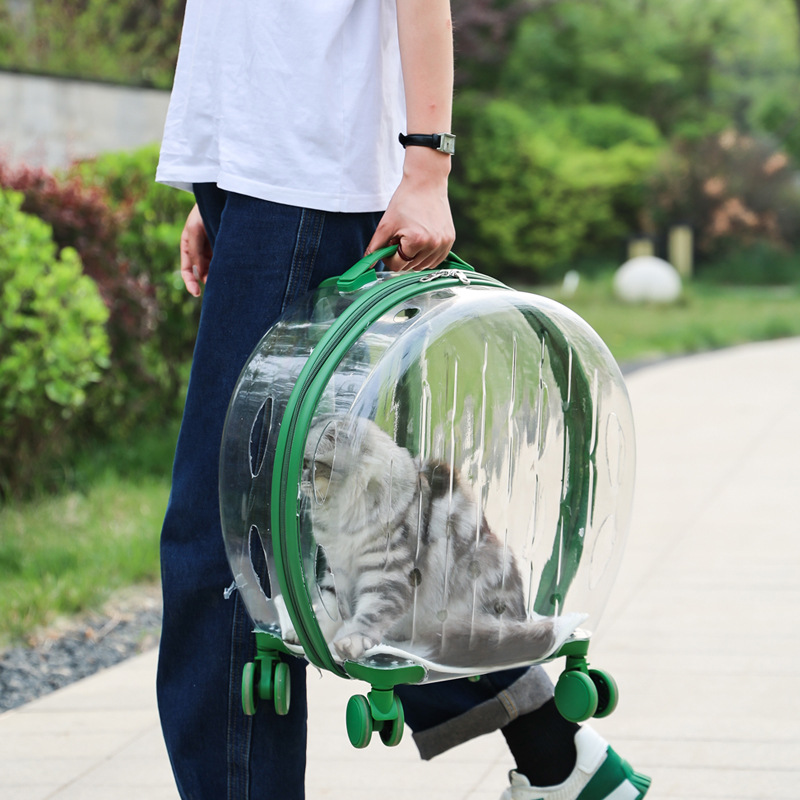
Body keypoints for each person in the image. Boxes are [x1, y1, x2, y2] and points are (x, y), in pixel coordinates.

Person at [155, 2, 651, 799]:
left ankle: (557, 752)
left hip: (301, 176)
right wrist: (222, 179)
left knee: (227, 541)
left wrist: (427, 164)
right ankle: (558, 755)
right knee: (330, 511)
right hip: (261, 175)